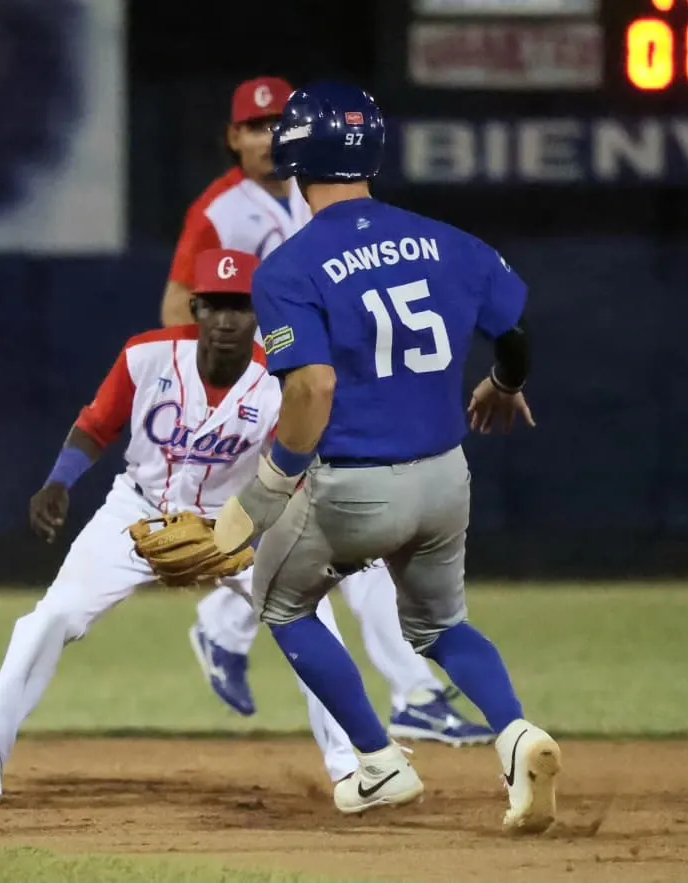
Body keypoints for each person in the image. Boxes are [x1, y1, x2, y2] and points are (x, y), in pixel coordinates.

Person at [0, 249, 387, 809]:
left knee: (313, 626)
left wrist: (268, 533)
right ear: (196, 308)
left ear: (258, 313)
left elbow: (292, 471)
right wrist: (59, 482)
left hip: (239, 519)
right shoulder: (146, 356)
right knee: (49, 618)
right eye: (215, 305)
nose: (226, 319)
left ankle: (356, 768)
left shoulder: (280, 382)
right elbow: (96, 424)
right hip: (134, 512)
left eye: (239, 306)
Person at [213, 81, 561, 833]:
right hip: (444, 478)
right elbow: (514, 329)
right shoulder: (450, 241)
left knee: (280, 603)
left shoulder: (288, 268)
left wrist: (264, 492)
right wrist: (505, 384)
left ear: (293, 156)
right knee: (441, 626)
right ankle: (514, 732)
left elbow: (311, 386)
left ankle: (377, 762)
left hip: (352, 487)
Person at [165, 76, 491, 746]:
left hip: (322, 384)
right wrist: (211, 389)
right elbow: (178, 306)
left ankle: (224, 627)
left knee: (335, 534)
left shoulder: (316, 191)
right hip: (267, 388)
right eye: (253, 127)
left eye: (275, 125)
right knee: (352, 537)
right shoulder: (218, 211)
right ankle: (415, 694)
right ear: (233, 137)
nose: (265, 138)